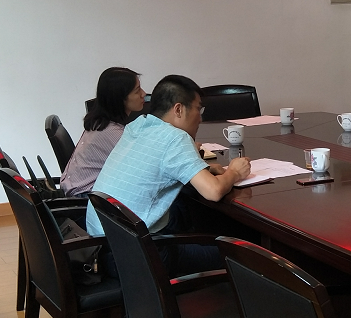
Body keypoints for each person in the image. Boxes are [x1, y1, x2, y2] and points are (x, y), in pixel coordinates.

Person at [86, 74, 251, 276]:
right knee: (243, 254)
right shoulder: (175, 137)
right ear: (179, 109)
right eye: (198, 109)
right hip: (140, 257)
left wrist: (203, 169)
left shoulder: (136, 126)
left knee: (190, 217)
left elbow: (153, 165)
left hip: (103, 247)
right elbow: (214, 191)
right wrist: (234, 172)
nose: (200, 118)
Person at [60, 67, 145, 197]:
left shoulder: (99, 122)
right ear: (120, 98)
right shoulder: (113, 134)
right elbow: (142, 169)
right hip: (86, 199)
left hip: (76, 189)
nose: (143, 94)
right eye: (137, 91)